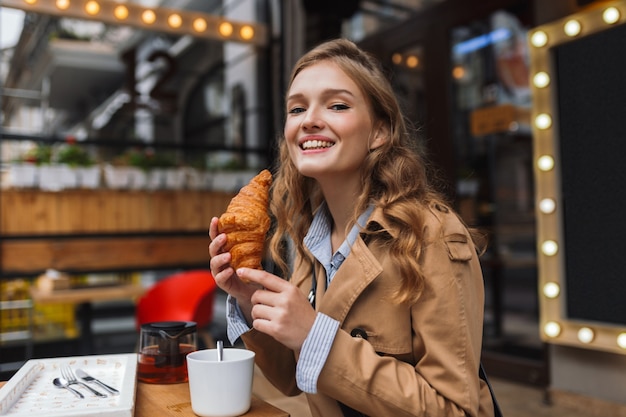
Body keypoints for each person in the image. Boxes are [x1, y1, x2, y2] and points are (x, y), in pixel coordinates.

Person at [209, 38, 496, 417]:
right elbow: (294, 379)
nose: (309, 119)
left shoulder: (431, 235)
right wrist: (249, 300)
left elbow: (457, 409)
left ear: (379, 131)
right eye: (297, 108)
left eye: (337, 105)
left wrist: (315, 336)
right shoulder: (311, 237)